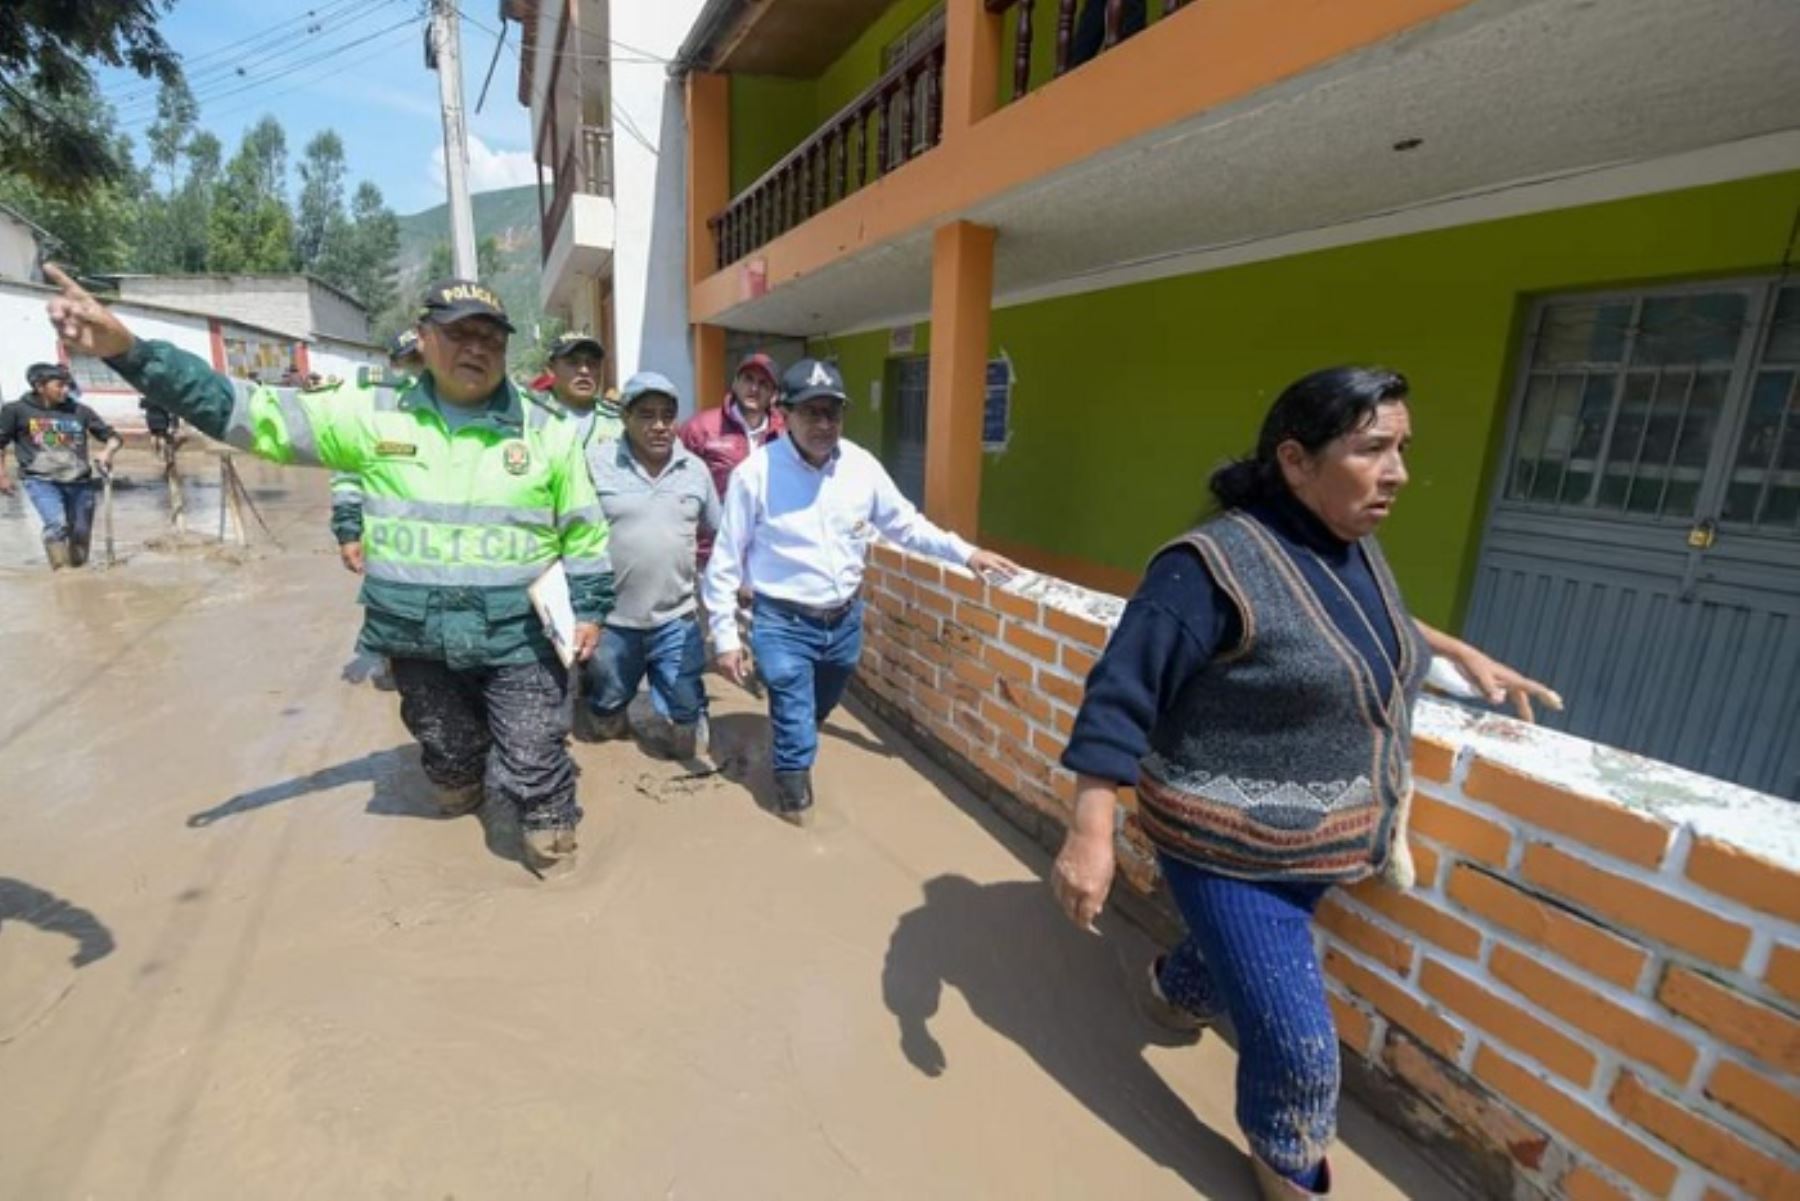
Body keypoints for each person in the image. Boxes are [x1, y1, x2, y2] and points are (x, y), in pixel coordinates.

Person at [1051, 367, 1556, 1199]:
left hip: (1318, 841)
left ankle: (1171, 992)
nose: (1398, 471)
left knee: (1230, 968)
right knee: (1300, 1047)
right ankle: (1289, 1164)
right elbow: (1119, 691)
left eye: (1402, 448)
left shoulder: (1349, 543)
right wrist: (1091, 831)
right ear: (1296, 458)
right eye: (1372, 449)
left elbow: (1358, 617)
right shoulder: (1205, 567)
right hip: (1224, 849)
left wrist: (1451, 651)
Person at [44, 266, 614, 872]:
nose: (476, 347)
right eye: (459, 333)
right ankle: (461, 786)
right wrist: (130, 352)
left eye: (490, 337)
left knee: (536, 751)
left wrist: (592, 608)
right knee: (447, 753)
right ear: (423, 338)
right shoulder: (370, 413)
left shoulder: (546, 431)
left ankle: (552, 843)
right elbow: (246, 413)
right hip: (415, 635)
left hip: (519, 634)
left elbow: (584, 528)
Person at [703, 358, 1021, 824]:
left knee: (817, 706)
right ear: (784, 414)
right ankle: (795, 806)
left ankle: (795, 735)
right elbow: (725, 561)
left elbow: (905, 526)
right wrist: (725, 636)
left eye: (832, 412)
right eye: (810, 412)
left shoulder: (860, 467)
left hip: (844, 622)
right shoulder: (756, 475)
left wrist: (965, 554)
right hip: (782, 622)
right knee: (794, 711)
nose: (823, 423)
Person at [575, 372, 722, 760]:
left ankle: (689, 720)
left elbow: (724, 534)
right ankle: (610, 713)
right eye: (646, 415)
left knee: (686, 718)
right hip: (611, 621)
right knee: (604, 715)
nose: (659, 425)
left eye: (667, 415)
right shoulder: (595, 463)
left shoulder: (695, 470)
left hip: (677, 617)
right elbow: (569, 531)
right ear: (625, 416)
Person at [332, 329, 428, 693]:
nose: (416, 370)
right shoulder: (373, 410)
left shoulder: (451, 408)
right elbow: (347, 476)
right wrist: (348, 531)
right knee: (389, 608)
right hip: (388, 541)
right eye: (409, 363)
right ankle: (391, 662)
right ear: (394, 364)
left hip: (436, 543)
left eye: (420, 361)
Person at [0, 362, 122, 569]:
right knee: (56, 525)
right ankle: (62, 572)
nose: (66, 389)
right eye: (59, 385)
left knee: (81, 531)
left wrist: (107, 452)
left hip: (79, 481)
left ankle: (78, 571)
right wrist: (1, 475)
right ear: (40, 387)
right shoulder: (16, 411)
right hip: (41, 480)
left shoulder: (80, 411)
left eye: (67, 385)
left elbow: (113, 437)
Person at [680, 351, 786, 546]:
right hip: (712, 550)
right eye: (748, 379)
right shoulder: (699, 428)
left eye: (764, 384)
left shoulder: (785, 435)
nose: (754, 388)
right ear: (735, 383)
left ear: (774, 395)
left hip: (765, 551)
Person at [543, 331, 620, 445]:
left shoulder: (617, 419)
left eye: (592, 363)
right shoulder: (535, 415)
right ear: (550, 370)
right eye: (573, 362)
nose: (584, 371)